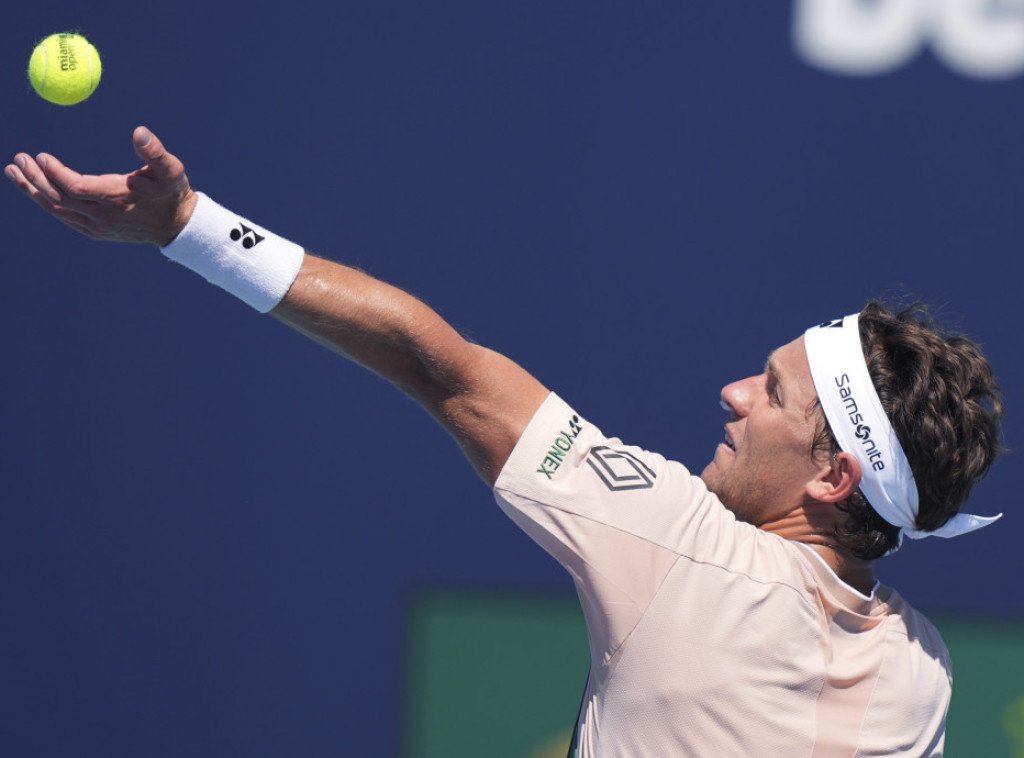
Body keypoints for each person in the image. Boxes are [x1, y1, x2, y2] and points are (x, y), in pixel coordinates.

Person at [6, 128, 1004, 756]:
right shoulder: (922, 674)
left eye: (772, 393)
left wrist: (187, 225)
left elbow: (440, 364)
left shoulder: (683, 547)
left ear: (834, 475)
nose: (735, 394)